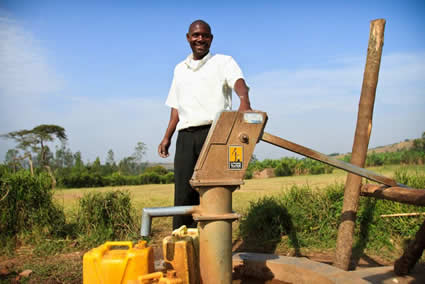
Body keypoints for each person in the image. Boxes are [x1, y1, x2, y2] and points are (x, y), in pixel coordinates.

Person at [158, 19, 252, 230]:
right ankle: (184, 242)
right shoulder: (179, 69)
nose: (200, 39)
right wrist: (167, 136)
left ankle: (211, 242)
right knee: (183, 193)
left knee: (213, 191)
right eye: (196, 35)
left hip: (214, 133)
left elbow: (239, 82)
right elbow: (176, 107)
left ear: (211, 39)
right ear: (188, 38)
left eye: (205, 35)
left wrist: (244, 102)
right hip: (185, 136)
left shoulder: (223, 62)